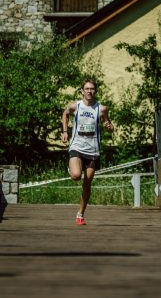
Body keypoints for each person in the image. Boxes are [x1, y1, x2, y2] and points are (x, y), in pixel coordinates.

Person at [61, 79, 114, 225]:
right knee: (77, 176)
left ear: (95, 91)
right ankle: (72, 169)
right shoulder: (75, 106)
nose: (89, 91)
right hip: (77, 146)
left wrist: (109, 126)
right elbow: (65, 114)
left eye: (92, 89)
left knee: (87, 182)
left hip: (93, 150)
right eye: (87, 88)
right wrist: (65, 131)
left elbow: (108, 124)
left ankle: (80, 214)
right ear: (82, 91)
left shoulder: (101, 108)